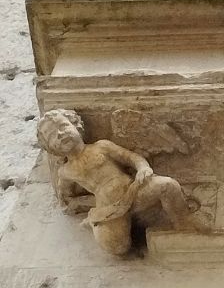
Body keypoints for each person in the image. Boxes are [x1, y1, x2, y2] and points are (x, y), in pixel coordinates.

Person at [37, 108, 206, 256]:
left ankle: (182, 223)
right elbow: (67, 200)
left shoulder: (101, 146)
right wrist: (88, 205)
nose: (60, 134)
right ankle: (102, 225)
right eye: (52, 136)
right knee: (117, 247)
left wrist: (143, 168)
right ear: (51, 148)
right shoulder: (65, 172)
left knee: (168, 185)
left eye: (64, 126)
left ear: (76, 125)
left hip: (132, 191)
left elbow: (130, 157)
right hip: (109, 208)